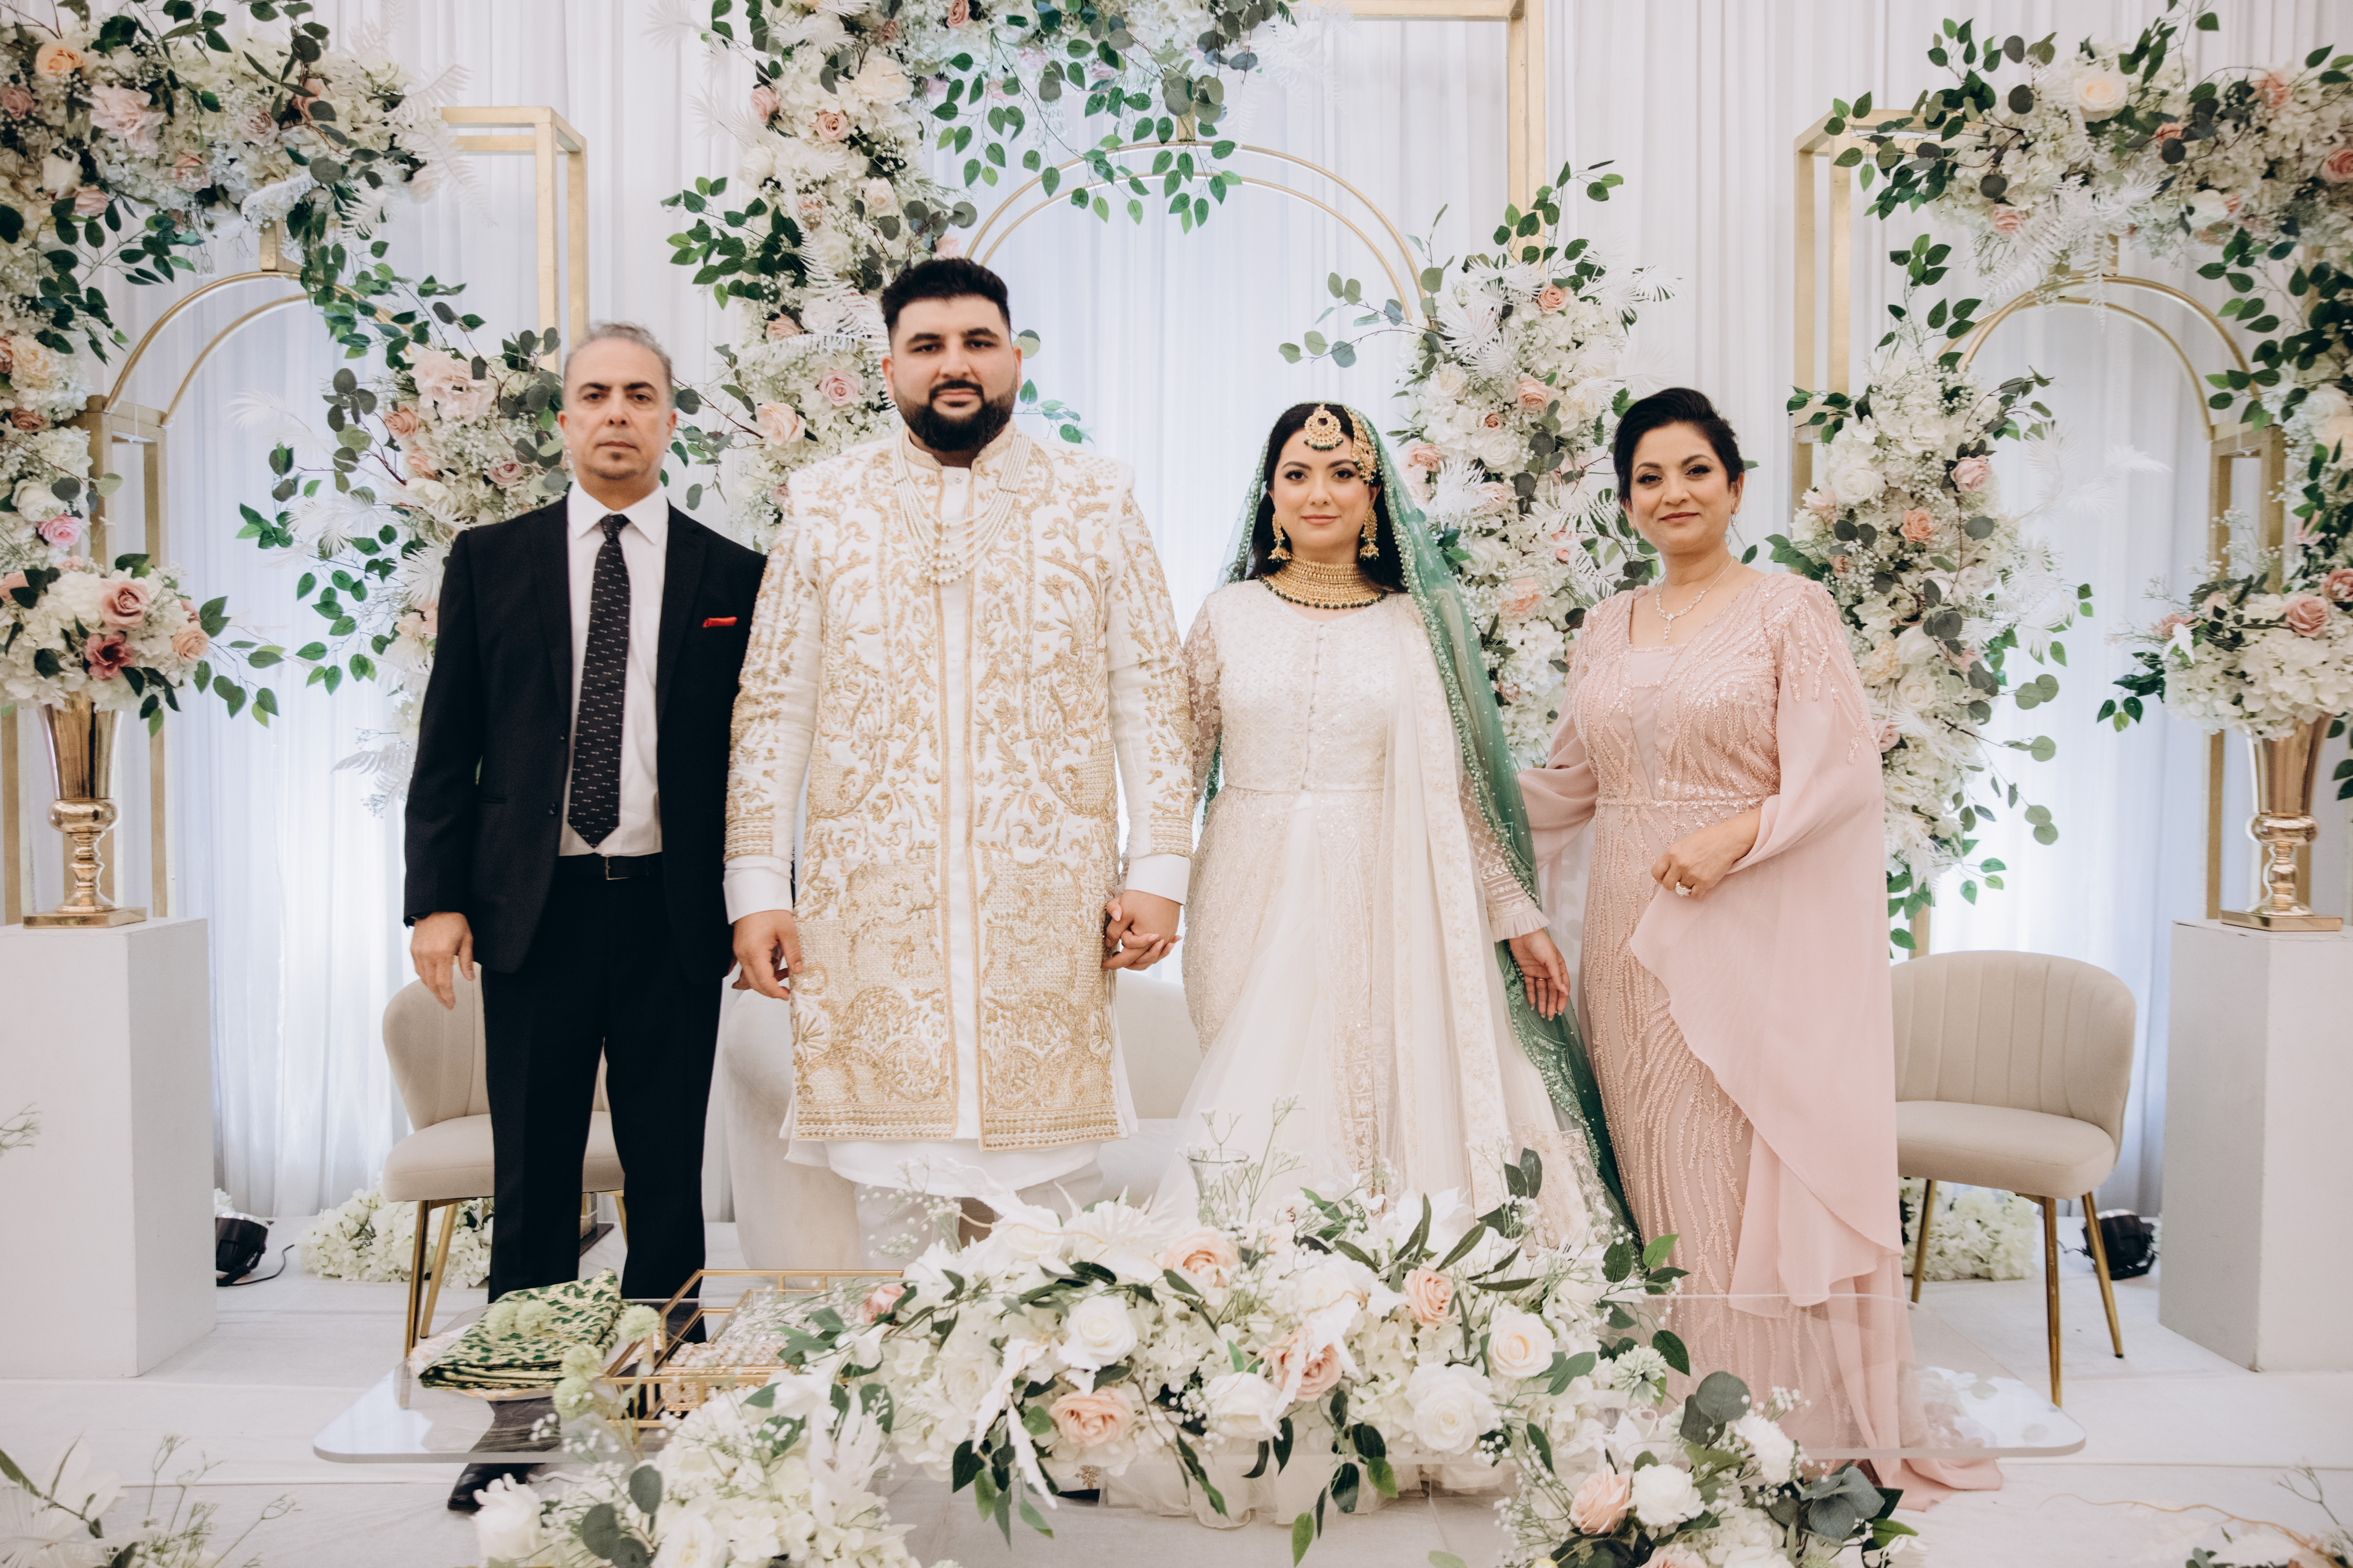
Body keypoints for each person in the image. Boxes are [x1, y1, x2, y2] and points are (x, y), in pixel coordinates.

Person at [1517, 387, 1997, 1498]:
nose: (1672, 493)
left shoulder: (1789, 608)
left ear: (1735, 487)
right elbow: (1571, 781)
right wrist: (1446, 798)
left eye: (1695, 470)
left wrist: (1732, 834)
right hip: (1627, 944)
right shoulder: (1604, 624)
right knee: (1653, 1167)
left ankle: (1780, 1419)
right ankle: (1679, 1407)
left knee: (1741, 1174)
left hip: (1747, 929)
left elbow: (1841, 774)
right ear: (1625, 502)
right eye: (1648, 477)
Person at [725, 258, 1195, 1257]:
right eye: (928, 346)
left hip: (1046, 917)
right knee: (897, 1238)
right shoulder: (824, 504)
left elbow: (1152, 693)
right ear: (890, 367)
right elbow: (772, 708)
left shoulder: (1095, 497)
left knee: (1050, 1246)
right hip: (871, 928)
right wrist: (757, 886)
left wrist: (1160, 873)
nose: (955, 365)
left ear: (1015, 358)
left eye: (978, 343)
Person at [403, 322, 765, 1508]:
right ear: (563, 420)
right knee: (535, 1175)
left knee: (665, 1173)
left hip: (671, 910)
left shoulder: (732, 573)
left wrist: (759, 899)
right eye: (595, 394)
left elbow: (759, 762)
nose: (617, 412)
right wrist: (436, 899)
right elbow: (449, 742)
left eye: (640, 395)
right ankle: (518, 1416)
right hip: (533, 910)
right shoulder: (490, 559)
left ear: (670, 421)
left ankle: (665, 1398)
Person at [1154, 400, 1628, 1248]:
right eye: (1298, 474)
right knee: (1253, 1091)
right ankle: (1248, 1286)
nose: (1320, 494)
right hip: (1241, 887)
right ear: (1270, 494)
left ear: (1374, 499)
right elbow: (1175, 770)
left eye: (1343, 474)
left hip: (1379, 886)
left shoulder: (1416, 624)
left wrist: (1515, 912)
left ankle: (1370, 1288)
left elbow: (1455, 790)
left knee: (1365, 1091)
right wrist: (1148, 885)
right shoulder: (1226, 615)